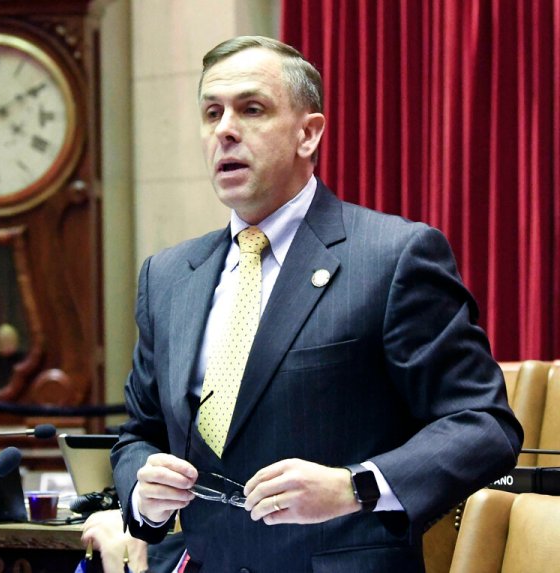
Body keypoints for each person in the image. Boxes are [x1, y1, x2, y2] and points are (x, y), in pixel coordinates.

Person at [111, 35, 523, 572]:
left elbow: (484, 425)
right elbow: (138, 435)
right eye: (212, 113)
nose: (225, 131)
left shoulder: (393, 257)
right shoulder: (167, 277)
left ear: (309, 133)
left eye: (251, 109)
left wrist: (356, 486)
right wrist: (143, 496)